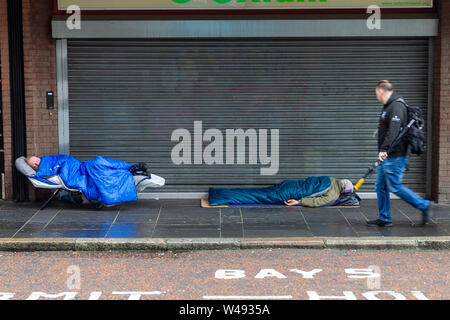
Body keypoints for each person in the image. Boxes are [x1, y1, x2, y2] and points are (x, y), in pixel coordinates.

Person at [367, 80, 434, 227]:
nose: (376, 96)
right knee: (381, 186)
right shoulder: (389, 106)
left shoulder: (396, 106)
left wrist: (384, 150)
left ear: (381, 91)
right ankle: (384, 218)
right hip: (389, 156)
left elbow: (393, 131)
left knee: (395, 186)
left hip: (395, 155)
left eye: (376, 93)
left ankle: (424, 205)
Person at [24, 154, 164, 206]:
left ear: (38, 157)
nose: (36, 164)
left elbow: (65, 160)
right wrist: (37, 172)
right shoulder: (43, 170)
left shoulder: (48, 159)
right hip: (77, 177)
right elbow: (60, 173)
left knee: (99, 162)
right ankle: (129, 175)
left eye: (36, 161)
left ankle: (130, 169)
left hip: (80, 167)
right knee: (99, 170)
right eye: (33, 166)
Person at [208, 176, 355, 207]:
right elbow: (318, 201)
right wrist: (299, 201)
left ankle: (218, 192)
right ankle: (218, 197)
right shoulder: (334, 194)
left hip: (290, 184)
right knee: (255, 196)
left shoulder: (330, 179)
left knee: (257, 193)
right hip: (290, 194)